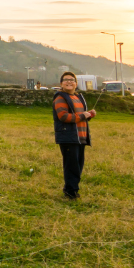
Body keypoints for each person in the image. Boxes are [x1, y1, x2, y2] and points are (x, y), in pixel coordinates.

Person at [52, 72, 96, 200]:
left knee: (78, 165)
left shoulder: (78, 97)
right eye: (66, 80)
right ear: (61, 84)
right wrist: (83, 115)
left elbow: (80, 117)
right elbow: (64, 116)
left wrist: (89, 115)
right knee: (71, 166)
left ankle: (72, 190)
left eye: (72, 80)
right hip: (68, 137)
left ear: (76, 84)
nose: (69, 82)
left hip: (80, 137)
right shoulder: (60, 98)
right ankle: (71, 192)